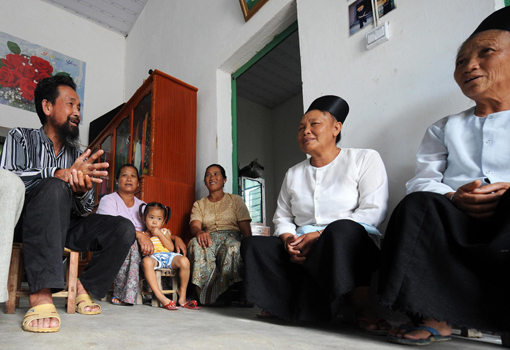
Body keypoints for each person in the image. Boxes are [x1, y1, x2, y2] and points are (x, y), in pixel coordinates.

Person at [379, 7, 510, 346]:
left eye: (486, 52)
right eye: (461, 61)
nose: (470, 66)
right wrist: (454, 197)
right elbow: (422, 179)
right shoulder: (444, 127)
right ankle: (434, 317)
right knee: (418, 204)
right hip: (457, 220)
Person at [241, 95, 390, 334]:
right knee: (253, 245)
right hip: (302, 243)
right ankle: (285, 304)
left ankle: (360, 306)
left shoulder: (364, 159)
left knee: (341, 231)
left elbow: (373, 211)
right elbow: (282, 217)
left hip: (346, 240)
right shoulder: (294, 173)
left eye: (314, 124)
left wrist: (321, 235)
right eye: (301, 128)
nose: (306, 131)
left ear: (336, 128)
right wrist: (289, 238)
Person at [0, 75, 135, 333]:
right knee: (53, 185)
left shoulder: (77, 153)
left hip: (67, 223)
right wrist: (57, 173)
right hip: (27, 222)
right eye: (71, 104)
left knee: (124, 228)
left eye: (79, 107)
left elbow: (85, 210)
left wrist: (82, 191)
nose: (77, 113)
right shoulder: (20, 137)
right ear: (47, 107)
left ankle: (86, 286)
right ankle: (40, 293)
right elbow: (6, 179)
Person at [97, 164, 186, 305]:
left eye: (133, 176)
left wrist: (176, 238)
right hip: (115, 245)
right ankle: (124, 294)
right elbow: (109, 226)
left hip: (143, 248)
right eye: (124, 175)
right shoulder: (108, 200)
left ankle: (152, 292)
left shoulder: (143, 206)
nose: (128, 179)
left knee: (153, 252)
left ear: (138, 183)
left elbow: (153, 230)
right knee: (130, 242)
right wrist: (139, 235)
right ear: (116, 180)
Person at [188, 164, 252, 305]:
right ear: (205, 181)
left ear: (225, 179)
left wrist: (249, 251)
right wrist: (199, 232)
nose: (212, 177)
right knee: (194, 244)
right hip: (208, 237)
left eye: (216, 174)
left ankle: (226, 292)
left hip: (231, 237)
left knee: (233, 247)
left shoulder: (236, 201)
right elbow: (195, 225)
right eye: (208, 175)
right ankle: (206, 294)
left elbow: (246, 231)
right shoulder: (199, 204)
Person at [139, 202, 199, 310]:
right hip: (154, 257)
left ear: (163, 222)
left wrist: (159, 234)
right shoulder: (143, 235)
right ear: (144, 219)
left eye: (159, 219)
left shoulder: (164, 232)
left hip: (168, 256)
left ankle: (182, 295)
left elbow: (171, 248)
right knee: (146, 262)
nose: (154, 222)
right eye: (151, 217)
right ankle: (160, 296)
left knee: (184, 261)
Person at [0, 169, 25, 304]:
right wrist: (54, 172)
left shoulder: (77, 153)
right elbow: (12, 169)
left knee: (9, 181)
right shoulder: (19, 146)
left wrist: (80, 192)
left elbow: (86, 207)